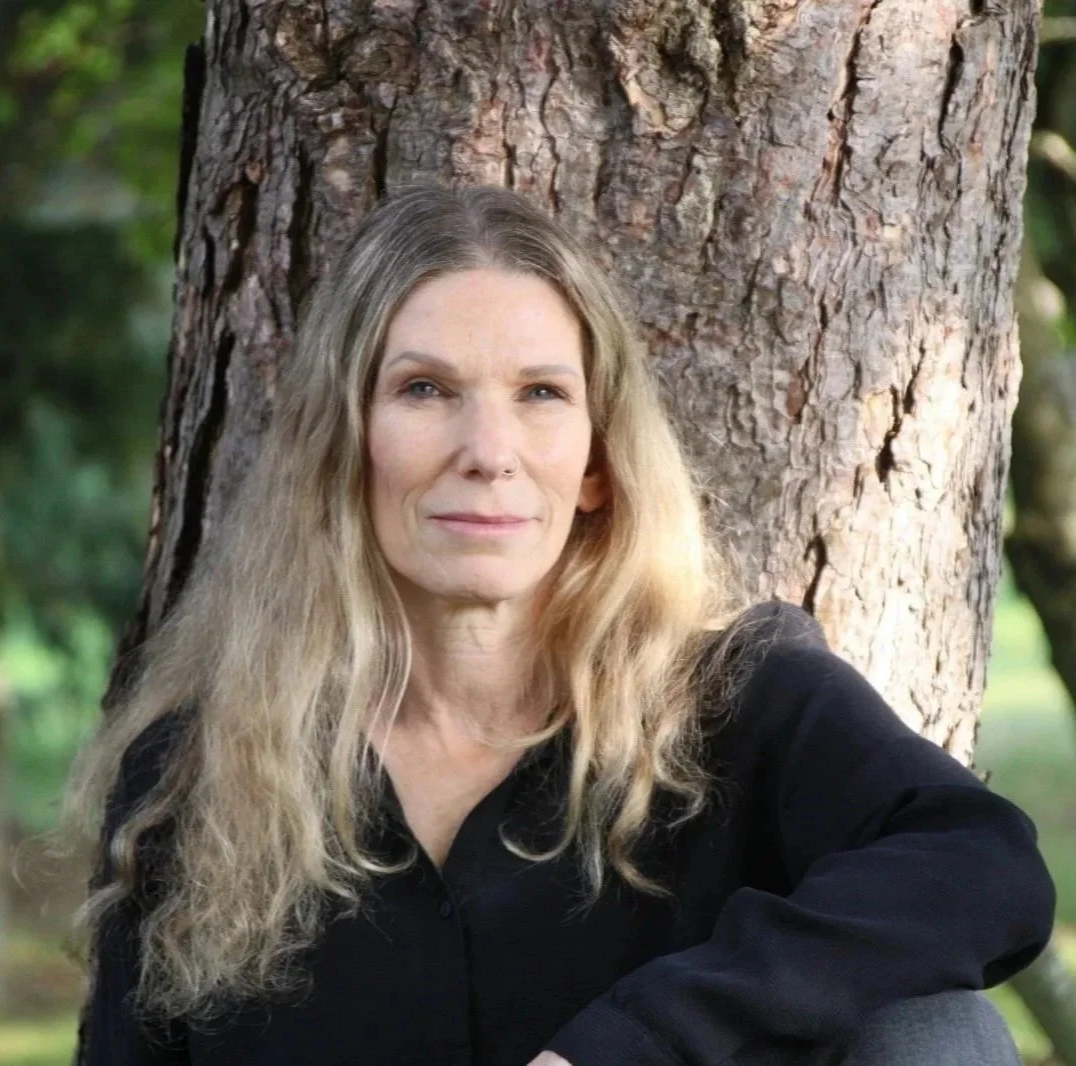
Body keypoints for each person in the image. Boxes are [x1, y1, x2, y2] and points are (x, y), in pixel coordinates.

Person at [54, 182, 1054, 1066]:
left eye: (539, 393)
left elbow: (982, 864)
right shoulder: (200, 780)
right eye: (425, 390)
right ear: (343, 445)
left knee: (935, 1031)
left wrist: (633, 1040)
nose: (488, 451)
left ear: (593, 462)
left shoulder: (737, 705)